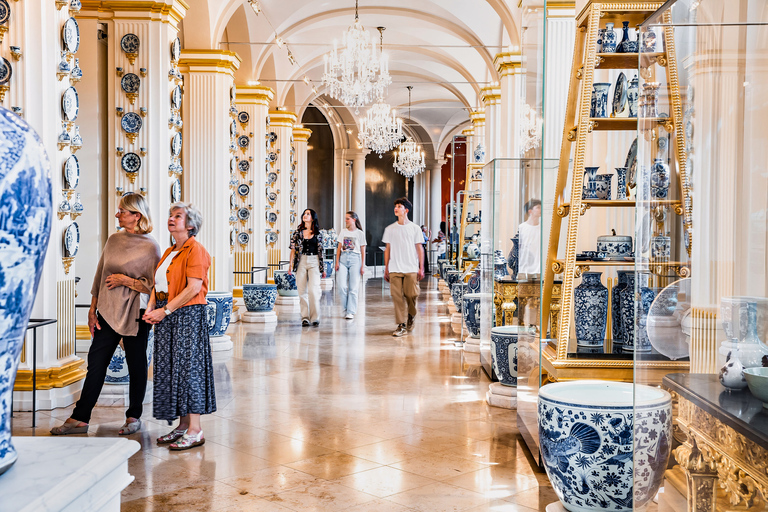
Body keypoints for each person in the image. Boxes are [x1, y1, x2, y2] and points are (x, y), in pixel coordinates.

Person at [51, 193, 161, 436]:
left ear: (136, 215)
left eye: (122, 211)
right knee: (96, 364)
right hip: (107, 311)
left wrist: (126, 281)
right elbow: (100, 274)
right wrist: (92, 309)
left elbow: (153, 286)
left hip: (136, 314)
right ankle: (80, 417)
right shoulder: (113, 240)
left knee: (137, 366)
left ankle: (134, 416)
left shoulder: (151, 246)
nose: (117, 214)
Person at [143, 202, 214, 451]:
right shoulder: (170, 251)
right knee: (172, 370)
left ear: (191, 224)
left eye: (178, 216)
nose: (171, 219)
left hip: (187, 314)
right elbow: (157, 284)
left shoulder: (197, 250)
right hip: (167, 313)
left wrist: (166, 310)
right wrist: (152, 306)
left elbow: (194, 287)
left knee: (189, 370)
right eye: (170, 216)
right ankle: (183, 426)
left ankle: (196, 429)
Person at [383, 197, 425, 337]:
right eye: (395, 206)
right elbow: (387, 249)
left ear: (406, 210)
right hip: (395, 268)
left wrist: (421, 267)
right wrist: (386, 267)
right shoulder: (390, 229)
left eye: (399, 206)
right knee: (396, 296)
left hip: (411, 268)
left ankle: (411, 315)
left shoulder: (415, 228)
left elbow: (419, 248)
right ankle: (400, 325)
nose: (396, 208)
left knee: (411, 295)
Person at [289, 208, 326, 326]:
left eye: (308, 214)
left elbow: (321, 253)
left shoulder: (319, 234)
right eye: (304, 214)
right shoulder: (297, 232)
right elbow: (293, 249)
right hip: (301, 261)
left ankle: (315, 317)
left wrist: (323, 268)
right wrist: (290, 265)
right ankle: (305, 317)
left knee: (313, 290)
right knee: (302, 291)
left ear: (312, 217)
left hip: (314, 261)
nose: (305, 215)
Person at [335, 211, 366, 319]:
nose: (345, 220)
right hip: (343, 258)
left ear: (354, 219)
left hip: (355, 259)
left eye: (347, 218)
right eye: (345, 218)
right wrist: (337, 262)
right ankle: (345, 308)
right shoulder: (343, 232)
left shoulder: (360, 233)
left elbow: (363, 250)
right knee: (341, 286)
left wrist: (363, 265)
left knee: (353, 287)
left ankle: (351, 311)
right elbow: (339, 248)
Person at [517, 199, 542, 276]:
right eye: (538, 207)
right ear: (530, 211)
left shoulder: (543, 228)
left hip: (539, 270)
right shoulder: (521, 228)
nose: (540, 210)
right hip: (524, 269)